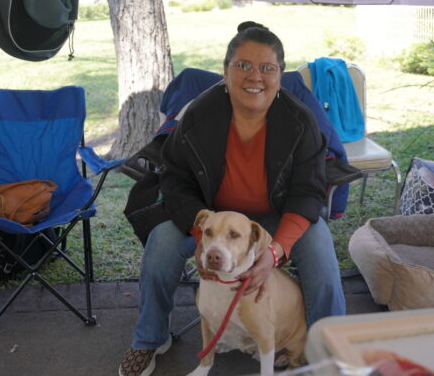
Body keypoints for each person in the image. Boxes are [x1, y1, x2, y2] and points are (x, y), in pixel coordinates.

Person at [118, 21, 346, 376]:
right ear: (225, 71)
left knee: (321, 254)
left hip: (274, 217)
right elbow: (175, 181)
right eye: (243, 65)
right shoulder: (197, 115)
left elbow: (308, 193)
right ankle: (149, 340)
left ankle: (332, 349)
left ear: (280, 75)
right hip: (213, 219)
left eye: (267, 68)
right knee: (161, 244)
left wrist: (274, 251)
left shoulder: (301, 123)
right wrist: (201, 232)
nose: (255, 76)